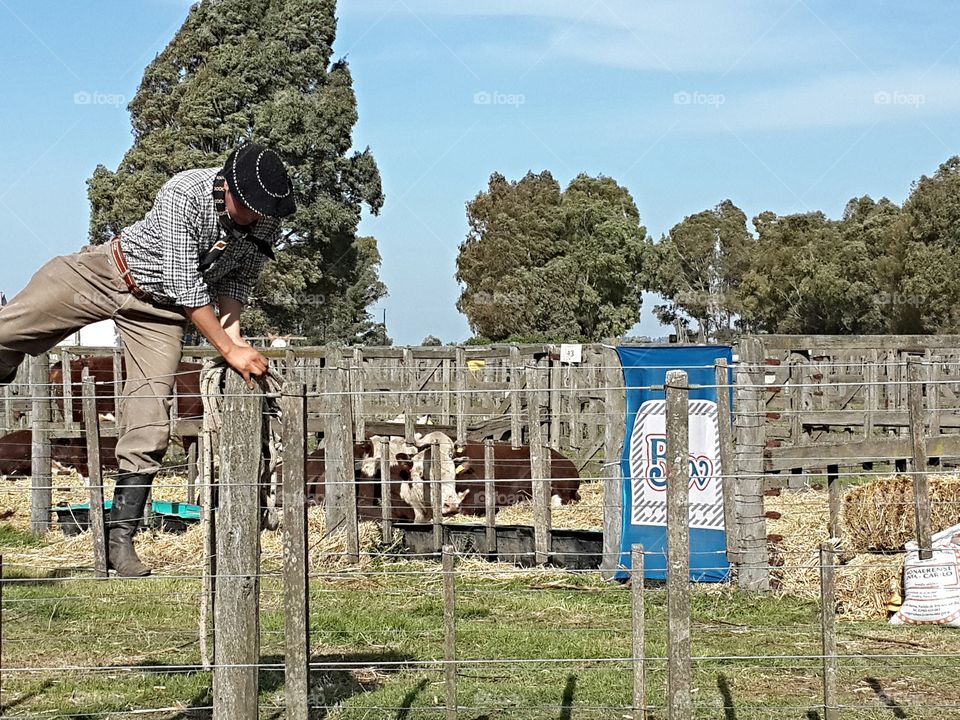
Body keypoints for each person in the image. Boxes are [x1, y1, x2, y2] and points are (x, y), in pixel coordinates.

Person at [0, 143, 296, 576]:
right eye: (247, 208)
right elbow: (187, 283)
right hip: (107, 273)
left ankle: (119, 539)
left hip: (160, 314)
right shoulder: (185, 192)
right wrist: (227, 348)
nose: (254, 218)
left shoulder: (263, 216)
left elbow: (238, 280)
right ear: (228, 186)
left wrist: (234, 338)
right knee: (9, 329)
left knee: (151, 419)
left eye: (261, 212)